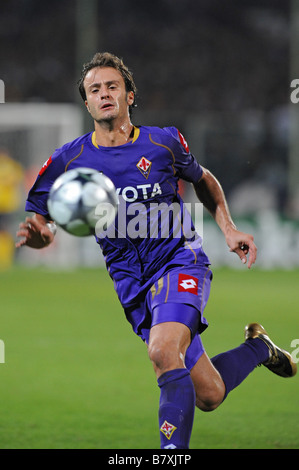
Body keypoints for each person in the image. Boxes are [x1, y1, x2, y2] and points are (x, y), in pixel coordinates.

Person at [16, 52, 297, 449]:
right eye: (95, 89)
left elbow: (203, 179)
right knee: (210, 395)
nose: (104, 94)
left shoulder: (162, 141)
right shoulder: (70, 160)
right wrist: (42, 235)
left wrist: (229, 228)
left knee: (164, 351)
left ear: (130, 95)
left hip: (180, 260)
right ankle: (258, 348)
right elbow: (39, 215)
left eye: (113, 86)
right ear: (87, 103)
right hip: (131, 282)